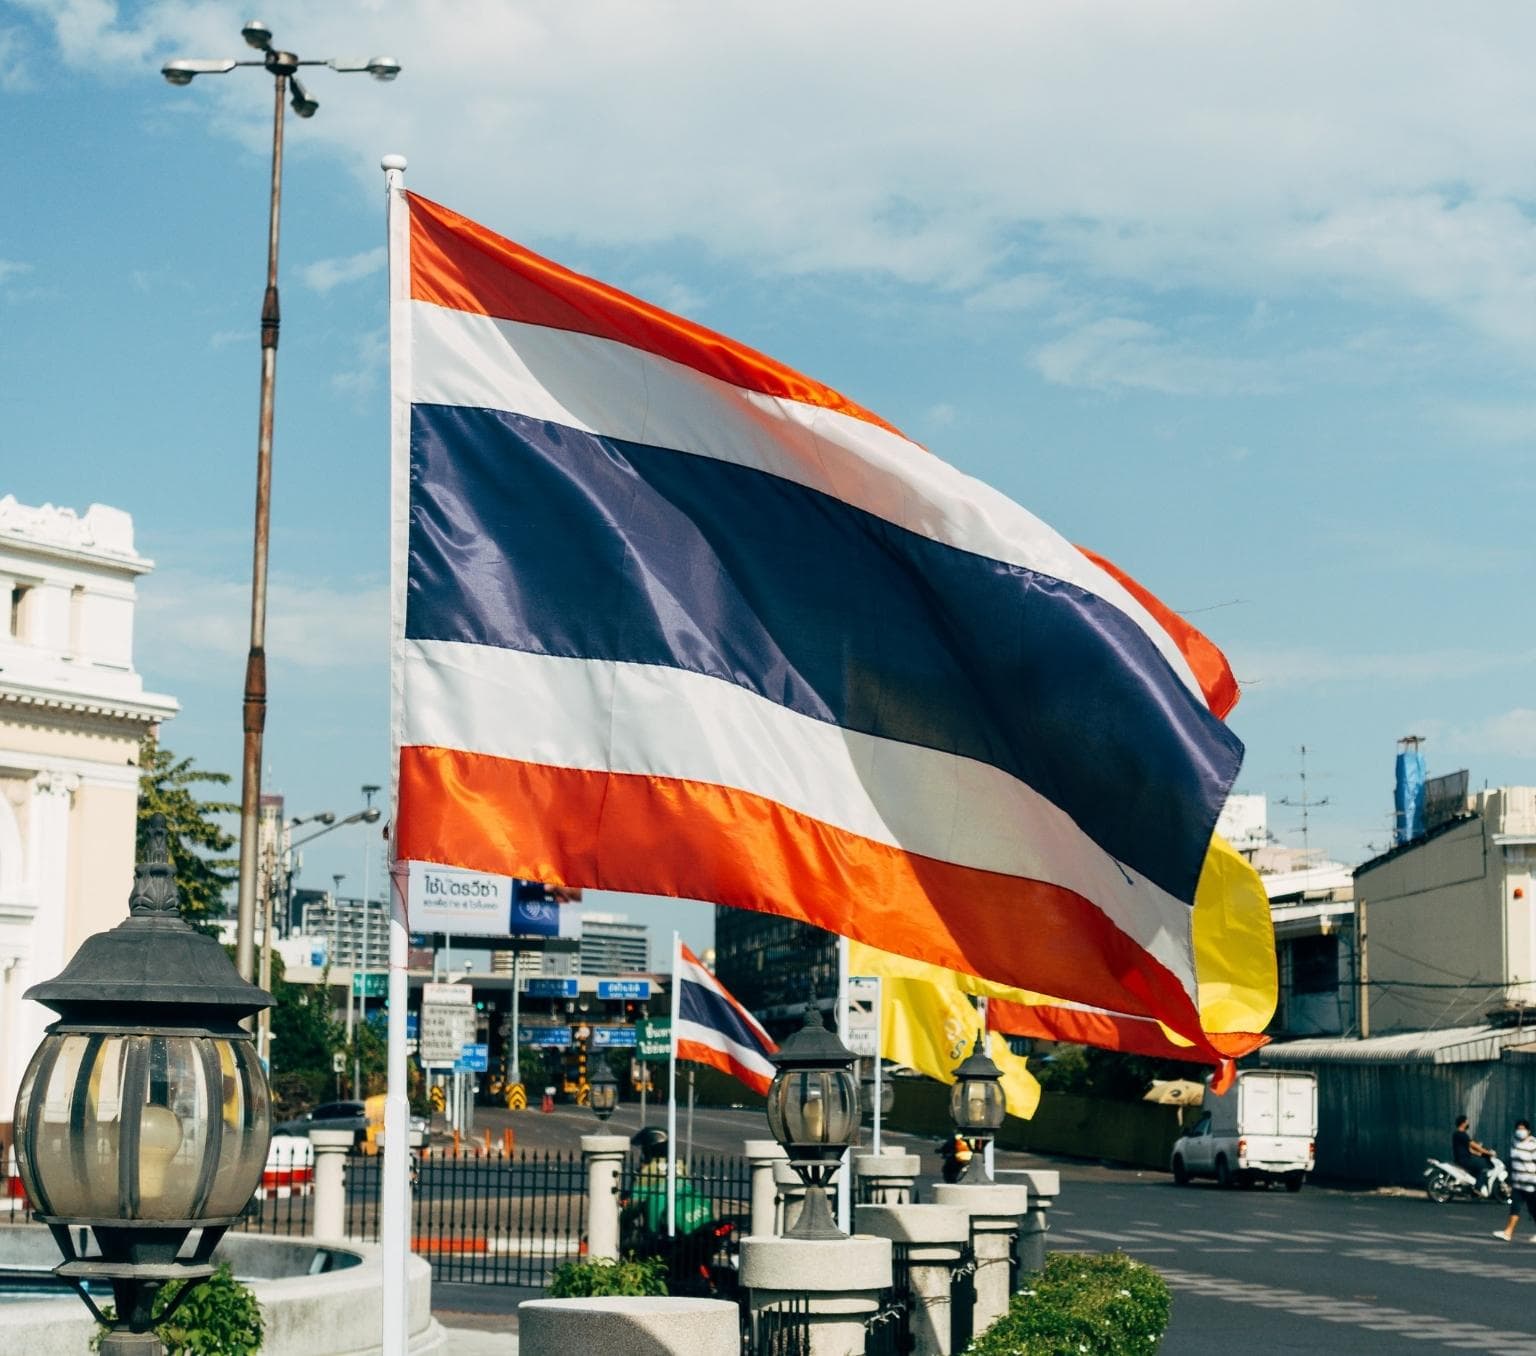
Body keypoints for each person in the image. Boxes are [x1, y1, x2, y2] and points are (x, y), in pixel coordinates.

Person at [1494, 1119, 1536, 1242]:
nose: (1520, 1131)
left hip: (1531, 1183)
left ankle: (1508, 1232)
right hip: (1518, 1182)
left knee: (1533, 1209)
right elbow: (1512, 1160)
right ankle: (1508, 1232)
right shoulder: (1514, 1141)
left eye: (1523, 1128)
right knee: (1515, 1207)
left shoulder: (1533, 1144)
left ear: (1528, 1130)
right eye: (1518, 1128)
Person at [1453, 1114, 1494, 1194]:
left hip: (1463, 1158)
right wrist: (1488, 1152)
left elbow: (1470, 1150)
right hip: (1464, 1159)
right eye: (1467, 1122)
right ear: (1463, 1123)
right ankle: (1478, 1188)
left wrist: (1480, 1154)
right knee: (1484, 1167)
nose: (1468, 1123)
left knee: (1478, 1166)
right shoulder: (1461, 1134)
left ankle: (1472, 1186)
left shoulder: (1458, 1134)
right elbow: (1473, 1145)